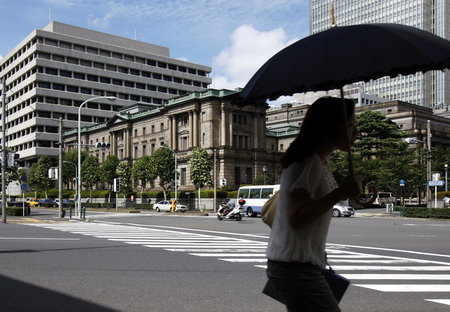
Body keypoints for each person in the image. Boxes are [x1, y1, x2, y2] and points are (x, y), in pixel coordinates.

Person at [265, 97, 362, 312]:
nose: (355, 133)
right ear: (329, 127)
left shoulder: (319, 162)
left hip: (301, 265)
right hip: (294, 268)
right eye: (350, 125)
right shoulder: (306, 162)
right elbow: (296, 217)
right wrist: (340, 193)